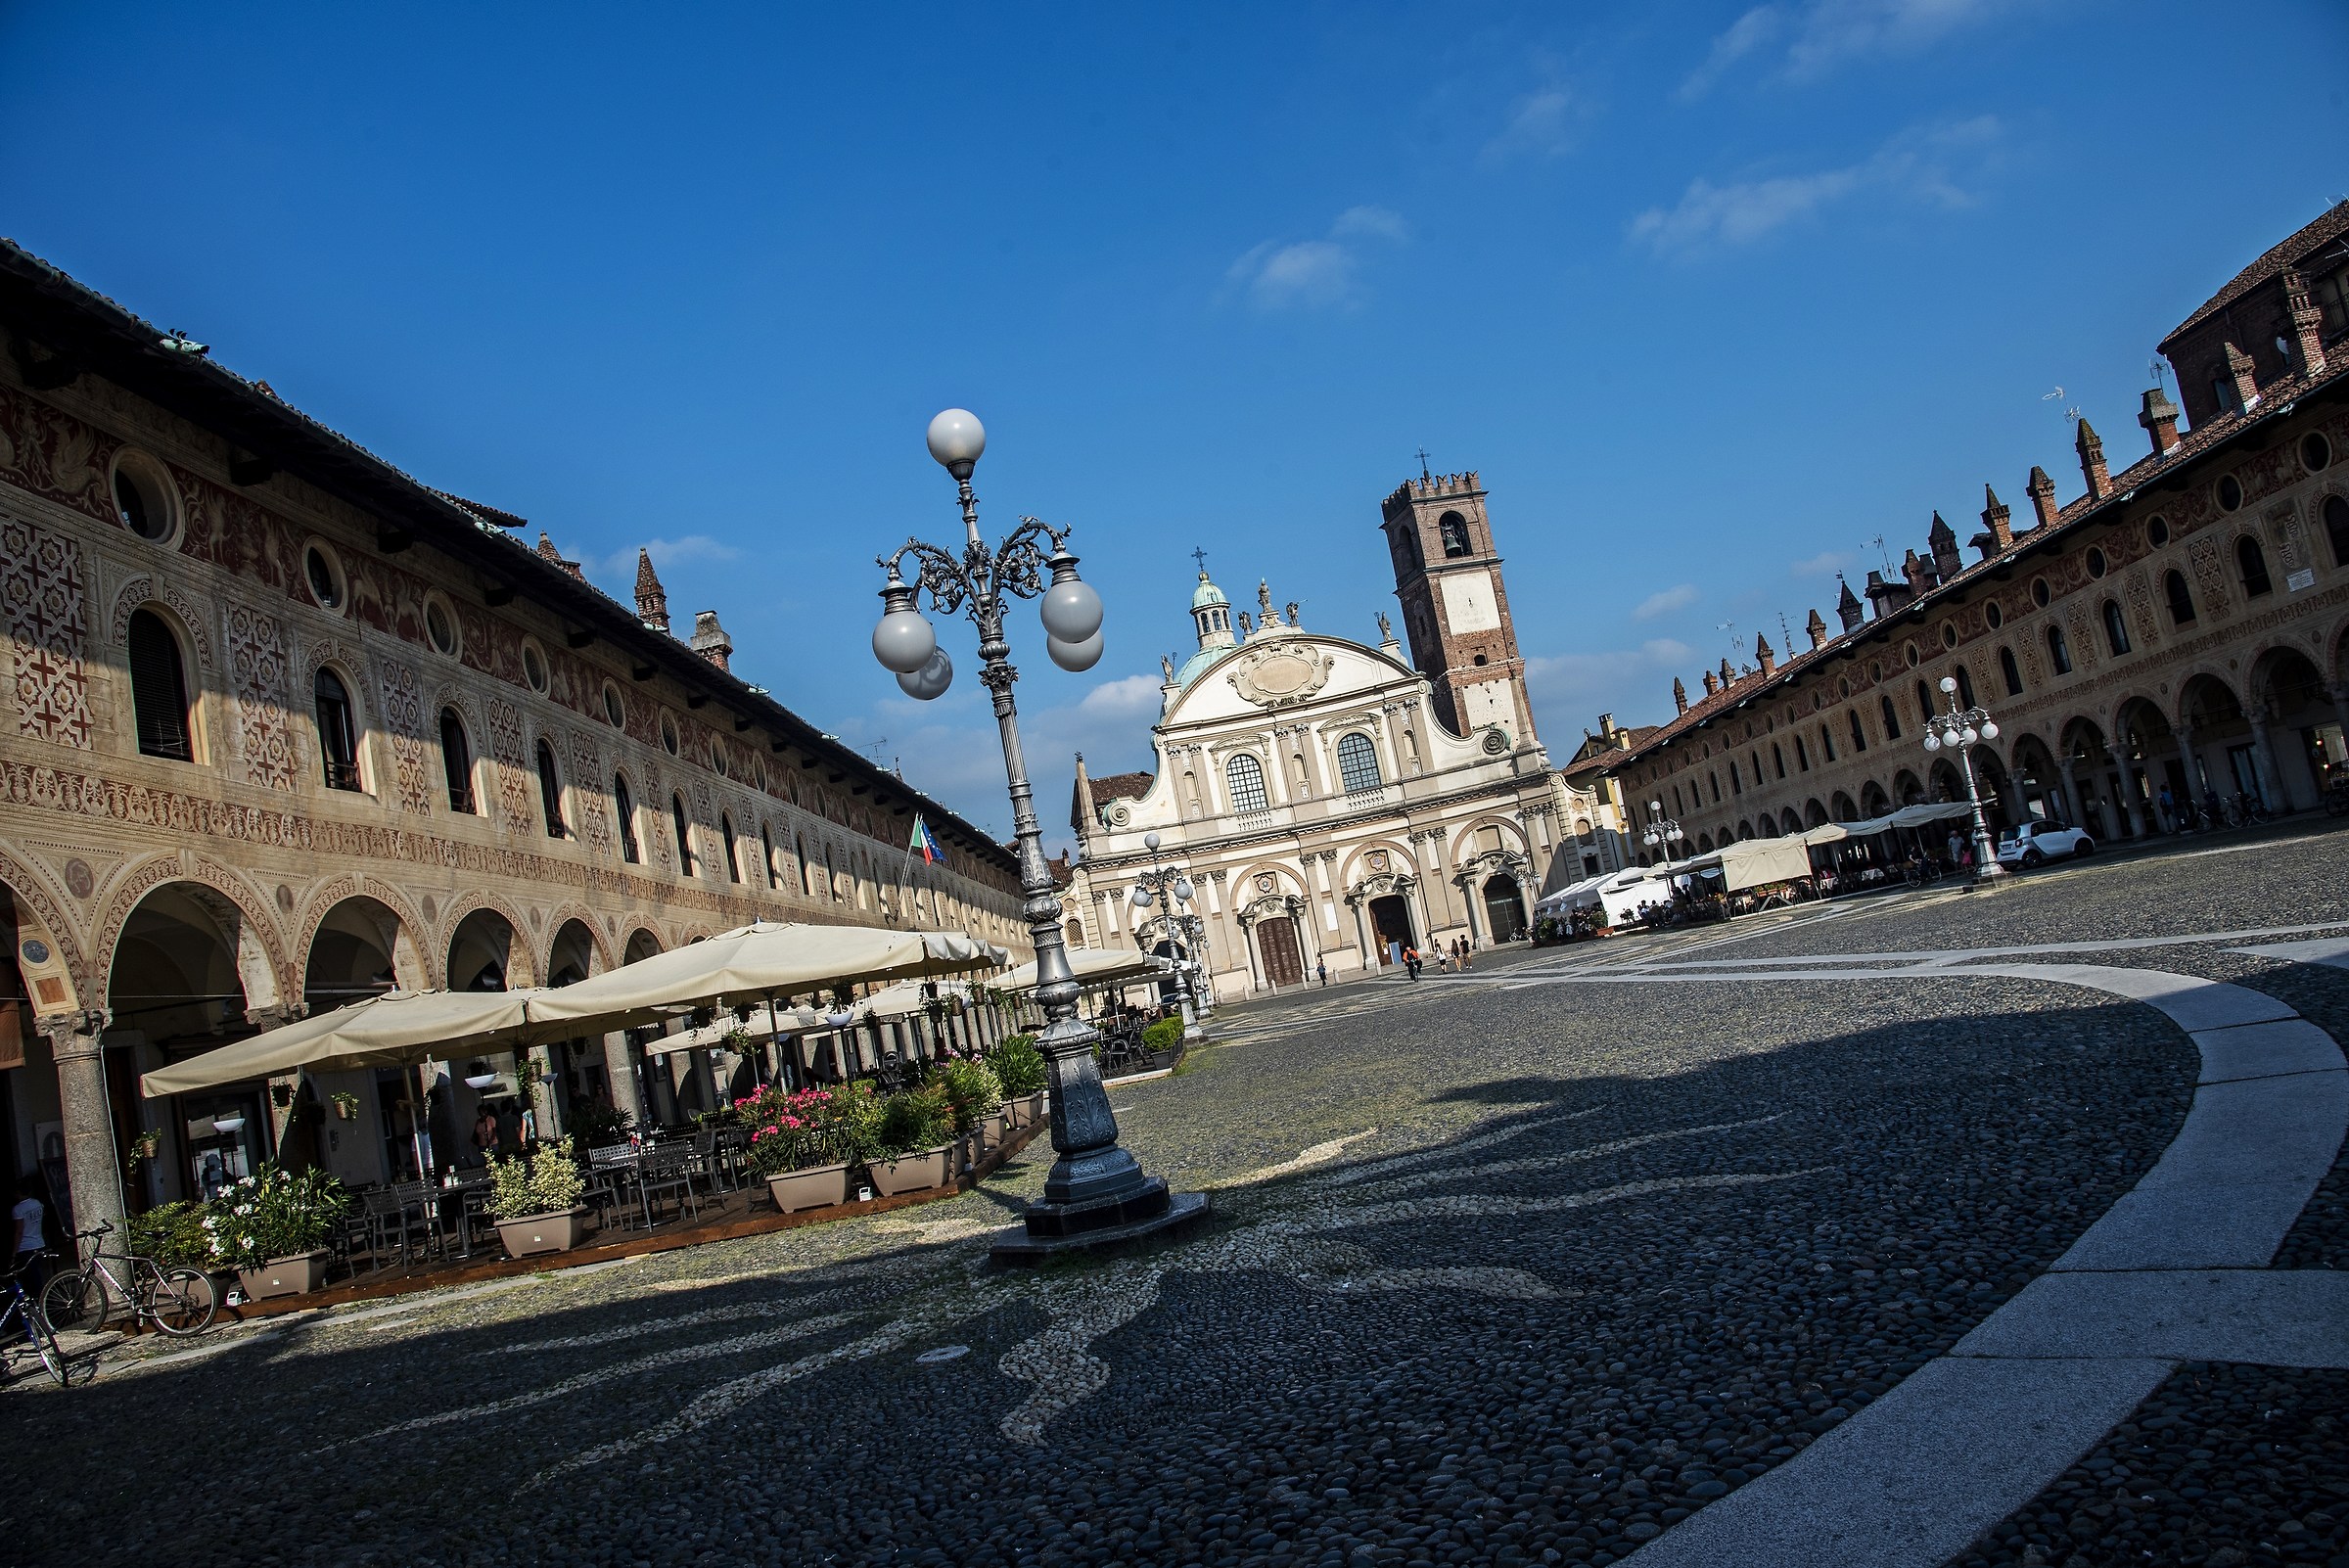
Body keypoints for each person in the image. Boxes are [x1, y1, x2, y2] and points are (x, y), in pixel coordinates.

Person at [12, 1176, 49, 1295]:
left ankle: (36, 1304)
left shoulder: (18, 1209)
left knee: (29, 1280)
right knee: (38, 1276)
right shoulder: (37, 1203)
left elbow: (19, 1231)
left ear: (18, 1192)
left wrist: (13, 1253)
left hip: (25, 1248)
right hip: (39, 1243)